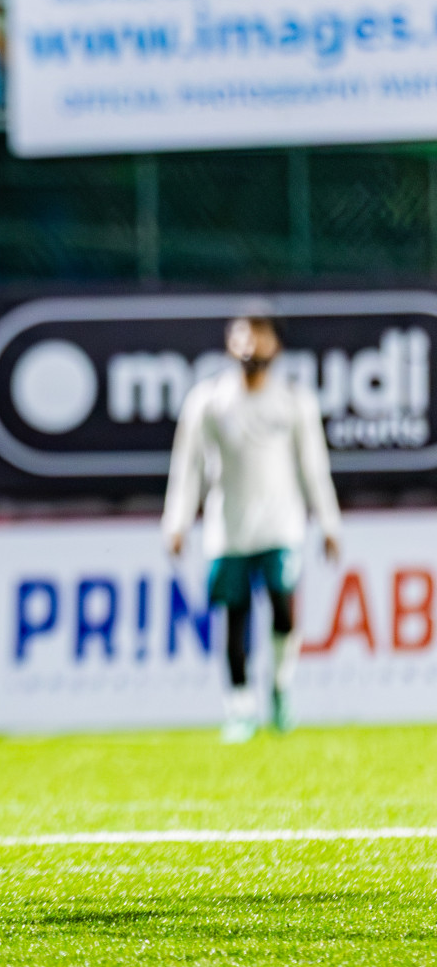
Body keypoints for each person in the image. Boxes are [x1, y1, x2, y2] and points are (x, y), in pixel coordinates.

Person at [162, 316, 342, 743]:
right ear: (229, 345)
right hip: (229, 529)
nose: (251, 348)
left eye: (260, 338)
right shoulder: (208, 401)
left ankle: (279, 686)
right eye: (242, 338)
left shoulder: (294, 401)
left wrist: (329, 522)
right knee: (234, 617)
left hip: (282, 526)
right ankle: (239, 706)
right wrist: (177, 521)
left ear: (275, 346)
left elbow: (313, 467)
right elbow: (188, 466)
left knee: (283, 608)